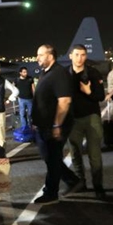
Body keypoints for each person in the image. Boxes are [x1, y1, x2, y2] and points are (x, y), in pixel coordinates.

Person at [31, 45, 82, 205]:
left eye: (40, 55)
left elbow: (64, 101)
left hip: (54, 125)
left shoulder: (59, 73)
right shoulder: (47, 73)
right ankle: (73, 181)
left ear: (50, 55)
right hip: (44, 125)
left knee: (52, 158)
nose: (37, 58)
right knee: (49, 157)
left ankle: (51, 193)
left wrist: (56, 125)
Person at [66, 44, 106, 199]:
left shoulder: (94, 73)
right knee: (75, 153)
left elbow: (101, 96)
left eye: (83, 55)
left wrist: (89, 92)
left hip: (91, 117)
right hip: (72, 119)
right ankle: (80, 183)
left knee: (95, 155)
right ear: (70, 56)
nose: (80, 58)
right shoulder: (65, 75)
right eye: (76, 54)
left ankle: (98, 186)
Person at [0, 61, 19, 147]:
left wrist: (9, 99)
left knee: (1, 132)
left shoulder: (3, 81)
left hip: (0, 109)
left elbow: (16, 91)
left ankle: (2, 152)